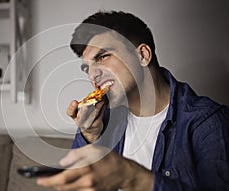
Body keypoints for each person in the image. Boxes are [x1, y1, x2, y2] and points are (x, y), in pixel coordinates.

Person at [37, 11, 229, 191]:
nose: (93, 75)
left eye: (103, 57)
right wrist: (89, 135)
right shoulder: (103, 121)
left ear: (143, 55)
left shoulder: (209, 122)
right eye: (87, 68)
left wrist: (133, 177)